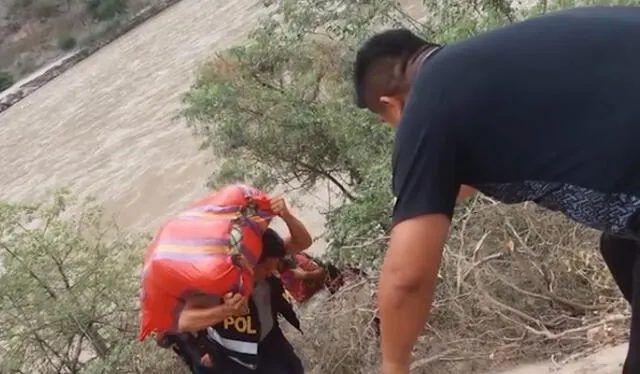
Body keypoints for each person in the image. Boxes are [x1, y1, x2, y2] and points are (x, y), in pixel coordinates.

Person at [352, 7, 640, 374]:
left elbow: (407, 277)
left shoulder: (427, 105)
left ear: (391, 104)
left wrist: (393, 366)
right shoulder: (488, 66)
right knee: (619, 245)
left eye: (388, 123)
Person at [176, 197, 312, 373]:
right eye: (267, 267)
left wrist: (286, 216)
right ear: (249, 262)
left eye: (275, 265)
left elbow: (304, 242)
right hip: (234, 354)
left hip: (271, 339)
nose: (273, 272)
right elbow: (182, 321)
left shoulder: (270, 253)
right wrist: (226, 311)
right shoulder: (219, 281)